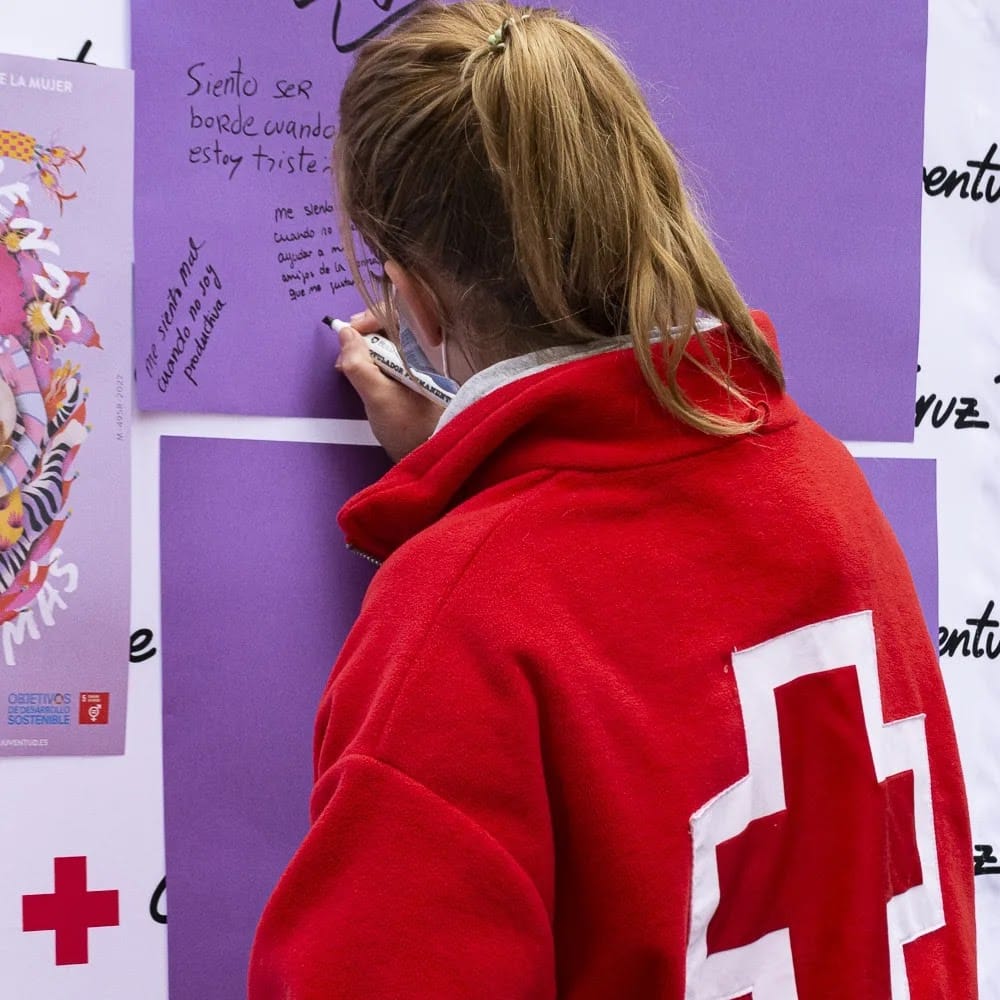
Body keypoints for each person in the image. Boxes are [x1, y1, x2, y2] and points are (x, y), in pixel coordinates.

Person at [248, 3, 977, 997]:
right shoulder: (825, 486)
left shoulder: (458, 624)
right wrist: (483, 491)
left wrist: (467, 549)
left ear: (411, 299)